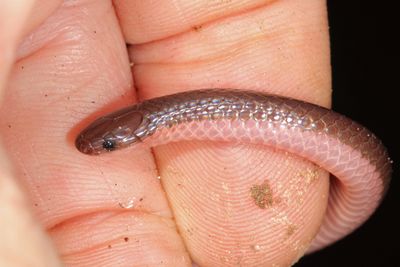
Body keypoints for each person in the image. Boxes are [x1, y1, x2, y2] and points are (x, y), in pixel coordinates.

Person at [0, 0, 332, 266]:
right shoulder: (168, 119)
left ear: (143, 132)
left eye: (110, 144)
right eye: (109, 143)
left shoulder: (179, 118)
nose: (102, 148)